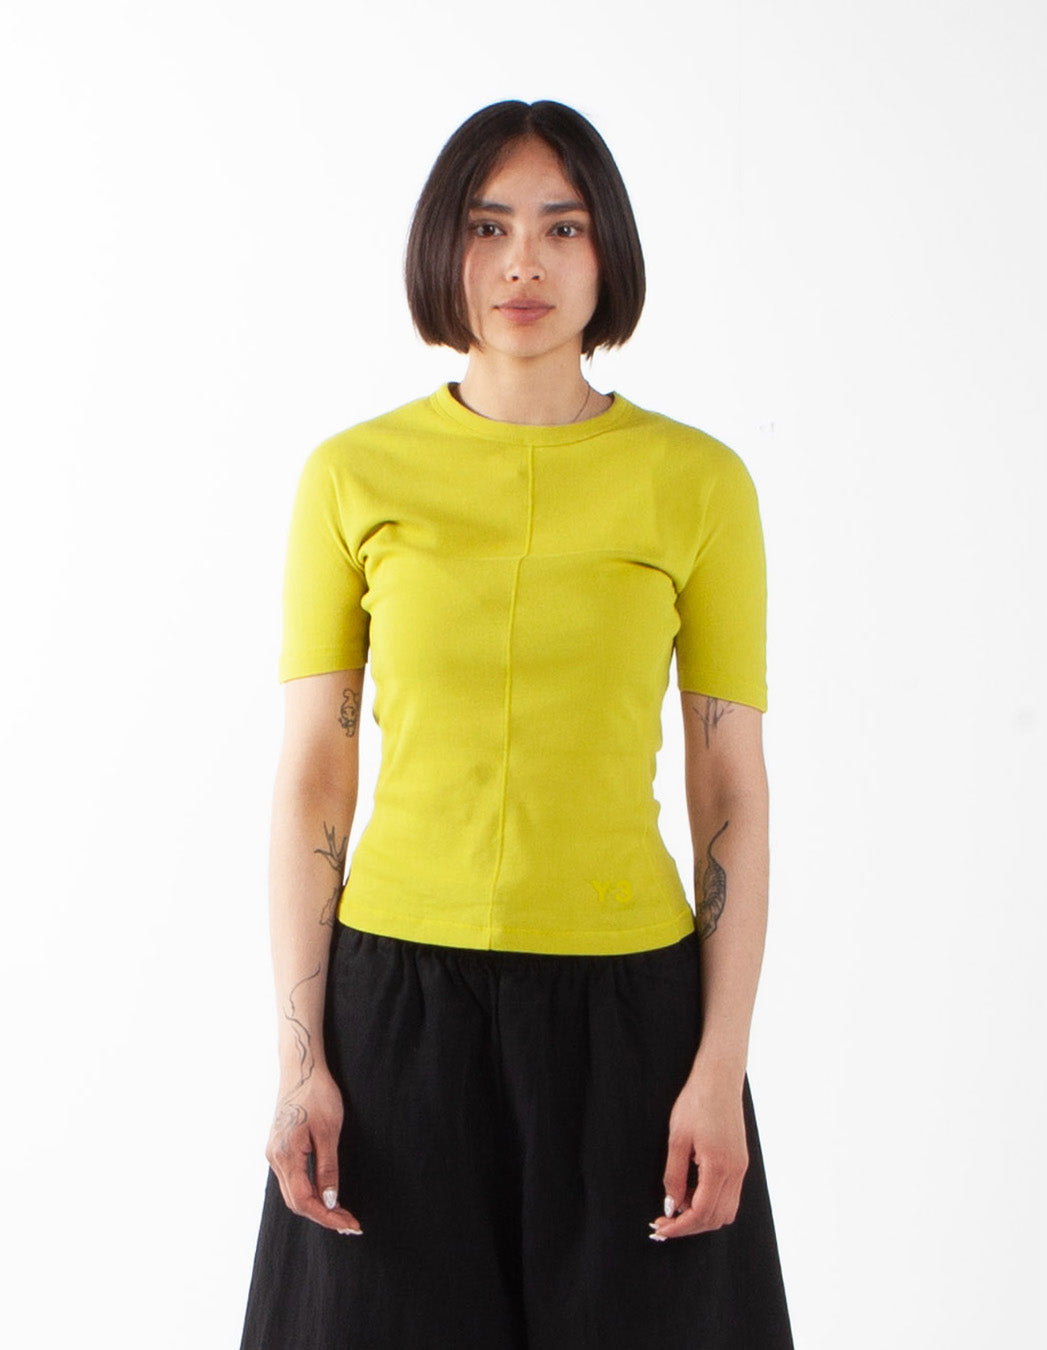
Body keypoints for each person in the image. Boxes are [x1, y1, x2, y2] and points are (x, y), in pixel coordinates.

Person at [240, 99, 794, 1349]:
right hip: (394, 1009)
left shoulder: (700, 482)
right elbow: (314, 776)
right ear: (444, 249)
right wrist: (301, 1060)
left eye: (563, 227)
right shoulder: (352, 476)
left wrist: (718, 1070)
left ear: (610, 253)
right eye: (488, 228)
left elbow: (731, 789)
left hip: (629, 1017)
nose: (523, 264)